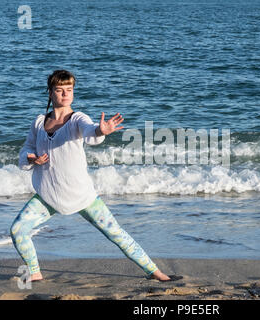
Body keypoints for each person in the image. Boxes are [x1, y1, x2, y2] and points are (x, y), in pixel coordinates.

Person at [11, 69, 179, 282]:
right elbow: (25, 149)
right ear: (50, 93)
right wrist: (31, 158)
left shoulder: (77, 119)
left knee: (116, 234)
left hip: (82, 195)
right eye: (59, 90)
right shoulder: (39, 122)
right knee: (17, 230)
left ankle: (155, 272)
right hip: (48, 194)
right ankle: (34, 272)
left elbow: (90, 131)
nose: (65, 94)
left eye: (69, 90)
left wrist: (101, 131)